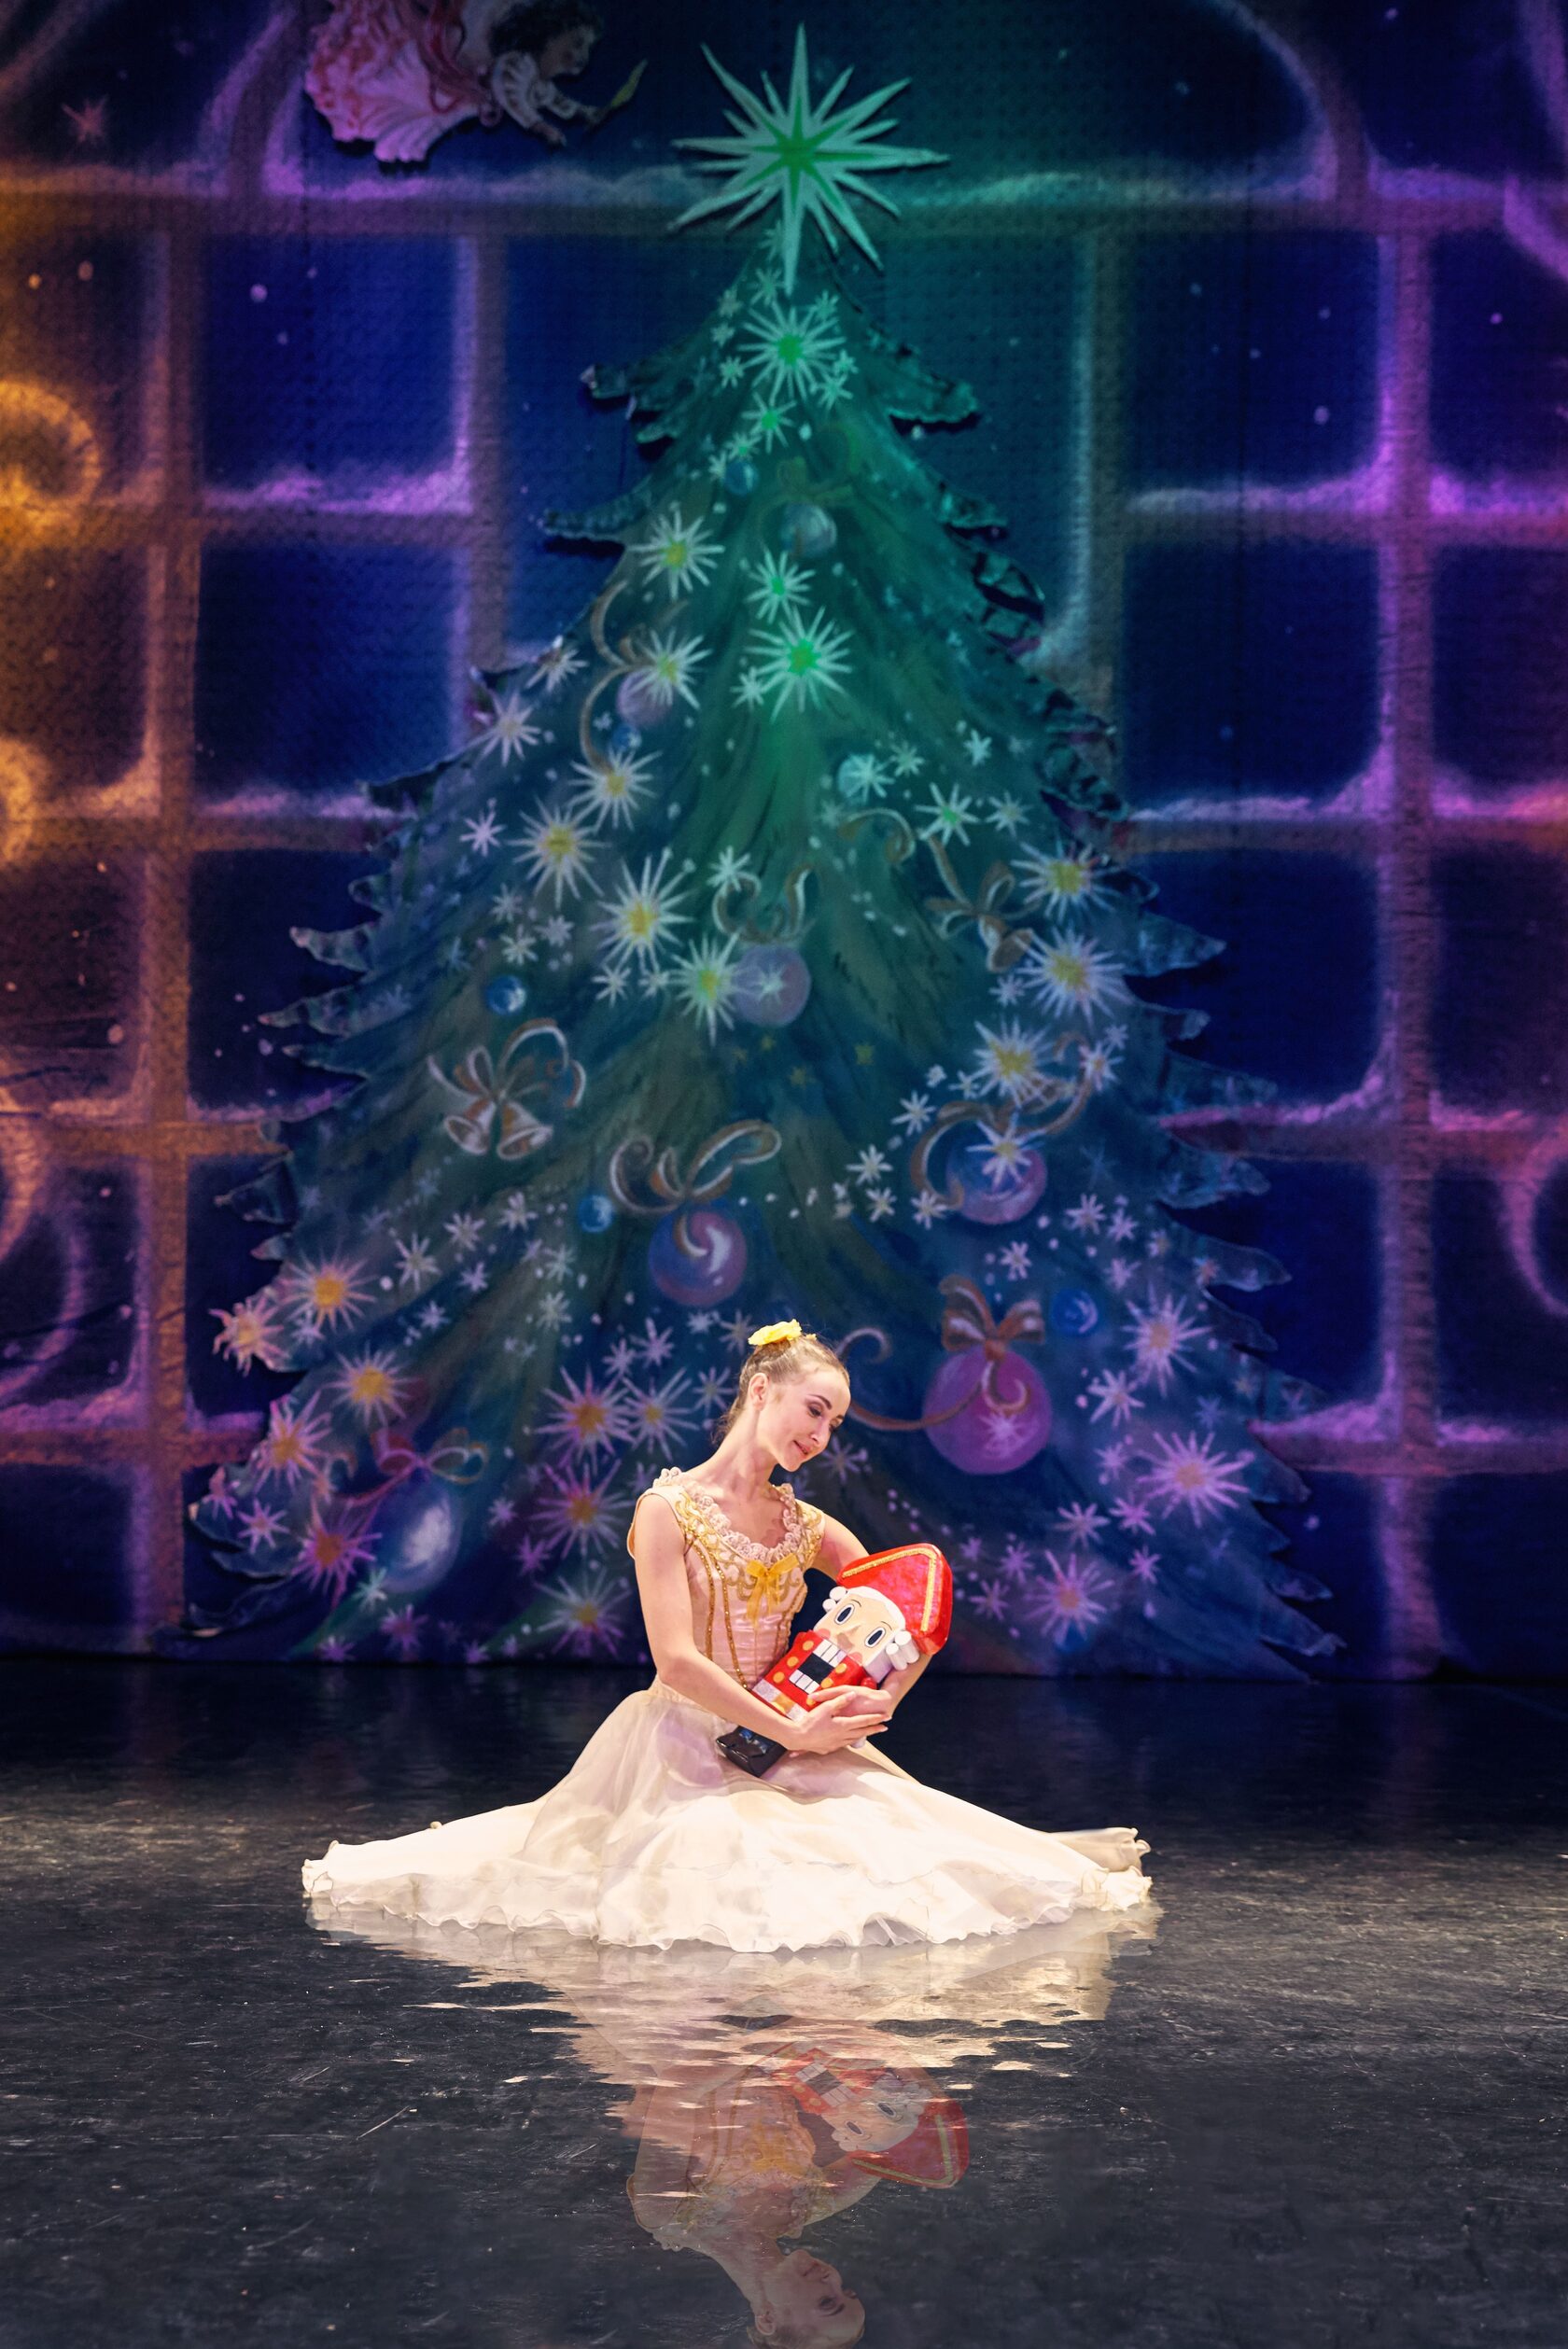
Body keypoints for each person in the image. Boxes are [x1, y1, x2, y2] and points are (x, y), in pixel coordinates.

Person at [301, 1321, 1151, 1949]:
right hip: (686, 1740)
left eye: (834, 1423)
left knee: (912, 1849)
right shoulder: (668, 1510)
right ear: (762, 1391)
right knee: (724, 1863)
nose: (820, 1434)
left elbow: (908, 1605)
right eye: (814, 1409)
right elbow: (676, 1659)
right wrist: (791, 1729)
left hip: (791, 1731)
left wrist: (877, 1695)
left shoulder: (803, 1522)